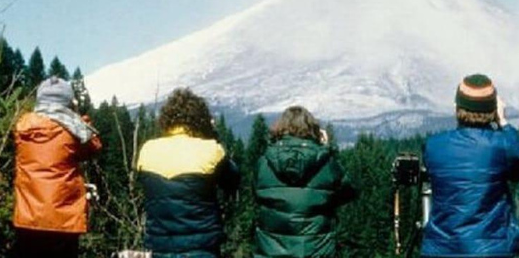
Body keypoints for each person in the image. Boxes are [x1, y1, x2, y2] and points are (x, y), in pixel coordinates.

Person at [420, 74, 519, 258]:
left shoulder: (433, 145)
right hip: (491, 248)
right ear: (493, 109)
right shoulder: (502, 145)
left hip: (441, 248)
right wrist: (504, 123)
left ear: (458, 107)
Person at [137, 88, 240, 258]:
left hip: (160, 247)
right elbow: (232, 180)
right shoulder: (211, 150)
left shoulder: (148, 150)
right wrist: (213, 136)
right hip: (202, 246)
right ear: (201, 120)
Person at [13, 76, 102, 258]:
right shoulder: (72, 131)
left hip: (28, 217)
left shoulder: (22, 128)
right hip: (63, 220)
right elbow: (94, 147)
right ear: (68, 102)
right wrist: (79, 117)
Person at [254, 105, 357, 258]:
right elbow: (350, 191)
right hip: (315, 250)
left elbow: (256, 194)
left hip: (271, 250)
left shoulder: (264, 162)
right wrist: (328, 149)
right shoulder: (325, 163)